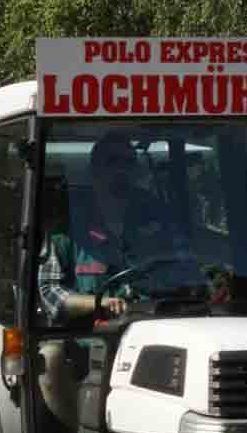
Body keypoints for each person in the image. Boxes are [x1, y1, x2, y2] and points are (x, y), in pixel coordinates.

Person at [36, 135, 187, 326]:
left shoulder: (162, 220)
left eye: (128, 162)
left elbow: (187, 273)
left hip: (157, 328)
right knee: (51, 354)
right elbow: (50, 293)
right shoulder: (67, 229)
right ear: (94, 170)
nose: (121, 169)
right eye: (112, 161)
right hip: (91, 340)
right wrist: (99, 303)